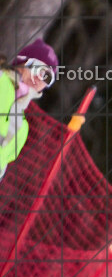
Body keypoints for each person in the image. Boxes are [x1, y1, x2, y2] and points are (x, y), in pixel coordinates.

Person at [0, 39, 58, 178]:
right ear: (22, 62)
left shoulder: (22, 128)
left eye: (48, 77)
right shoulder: (1, 81)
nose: (39, 78)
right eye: (37, 67)